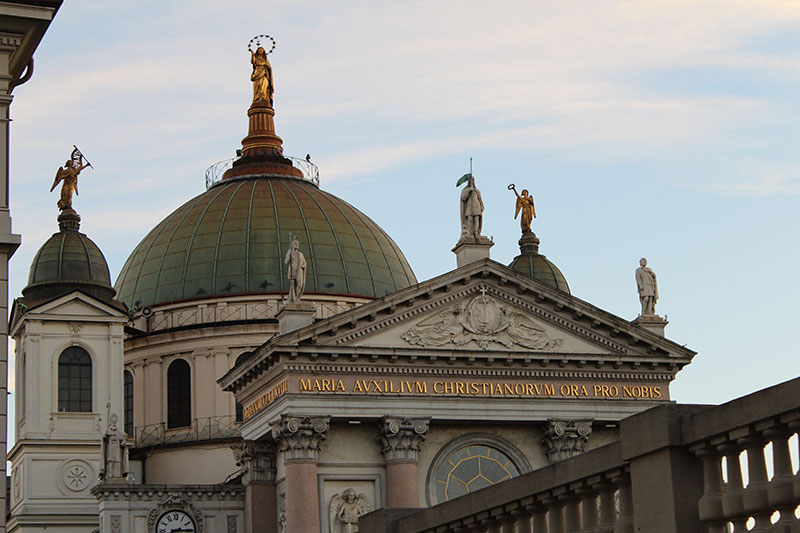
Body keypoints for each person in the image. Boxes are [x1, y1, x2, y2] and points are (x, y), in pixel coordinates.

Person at [284, 236, 307, 303]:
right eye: (295, 244)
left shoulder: (301, 254)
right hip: (292, 271)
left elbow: (304, 263)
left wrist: (302, 266)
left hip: (299, 271)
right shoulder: (290, 253)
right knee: (292, 286)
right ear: (292, 245)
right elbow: (286, 261)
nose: (296, 245)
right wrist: (288, 254)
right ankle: (294, 299)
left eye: (297, 244)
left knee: (299, 285)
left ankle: (297, 297)